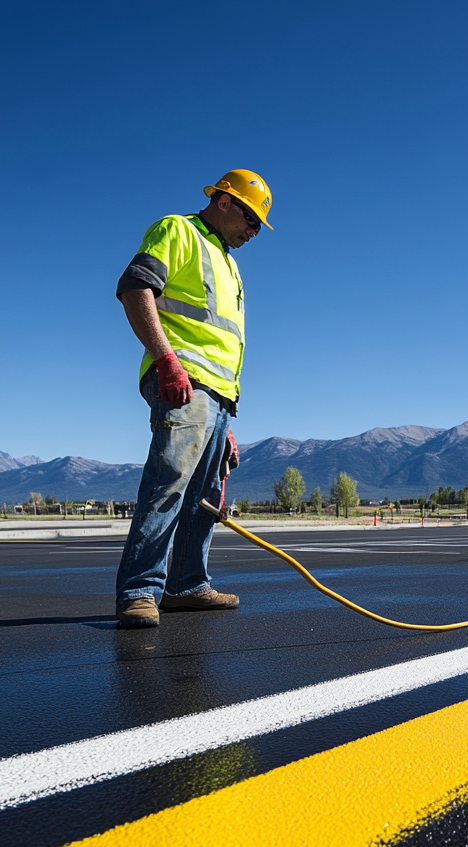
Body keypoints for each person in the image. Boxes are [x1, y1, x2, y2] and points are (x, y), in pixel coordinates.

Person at [114, 170, 273, 628]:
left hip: (218, 395)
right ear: (224, 202)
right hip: (182, 378)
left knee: (205, 495)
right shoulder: (178, 230)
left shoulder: (228, 263)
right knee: (169, 481)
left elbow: (219, 342)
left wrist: (226, 419)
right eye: (251, 219)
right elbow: (135, 287)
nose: (253, 231)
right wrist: (166, 361)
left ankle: (184, 586)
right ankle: (139, 592)